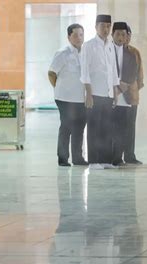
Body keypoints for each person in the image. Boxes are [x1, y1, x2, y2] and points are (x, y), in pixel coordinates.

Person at [80, 14, 120, 170]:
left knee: (107, 128)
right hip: (94, 94)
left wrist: (115, 93)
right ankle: (94, 161)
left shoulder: (110, 45)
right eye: (103, 25)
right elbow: (85, 72)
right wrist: (88, 94)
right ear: (96, 27)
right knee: (94, 128)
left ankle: (106, 160)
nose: (106, 29)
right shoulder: (89, 46)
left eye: (108, 26)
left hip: (109, 94)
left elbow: (114, 71)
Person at [48, 24, 88, 167]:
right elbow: (51, 73)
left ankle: (78, 158)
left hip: (80, 99)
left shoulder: (85, 53)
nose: (79, 38)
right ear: (69, 37)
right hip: (65, 99)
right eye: (76, 35)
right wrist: (59, 88)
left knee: (79, 127)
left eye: (81, 35)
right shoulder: (63, 53)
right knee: (66, 127)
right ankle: (63, 158)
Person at [111, 22, 138, 166]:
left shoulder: (131, 54)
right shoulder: (106, 50)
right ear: (112, 34)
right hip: (109, 95)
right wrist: (113, 87)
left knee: (122, 128)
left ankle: (118, 158)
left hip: (124, 96)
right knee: (110, 128)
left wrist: (121, 87)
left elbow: (133, 73)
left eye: (123, 34)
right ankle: (108, 157)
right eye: (118, 34)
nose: (121, 37)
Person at [123, 25, 144, 165]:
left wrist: (134, 89)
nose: (126, 38)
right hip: (116, 95)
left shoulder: (135, 52)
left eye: (128, 35)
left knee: (130, 127)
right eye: (123, 34)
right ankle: (115, 155)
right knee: (116, 127)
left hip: (132, 96)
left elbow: (140, 75)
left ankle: (130, 155)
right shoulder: (111, 50)